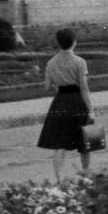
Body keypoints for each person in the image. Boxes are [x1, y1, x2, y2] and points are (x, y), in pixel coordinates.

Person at [36, 28, 94, 179]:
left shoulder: (51, 62)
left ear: (59, 43)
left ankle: (59, 177)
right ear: (74, 42)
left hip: (60, 101)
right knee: (84, 140)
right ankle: (86, 173)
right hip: (77, 101)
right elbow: (84, 88)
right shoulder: (79, 62)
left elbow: (47, 87)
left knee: (60, 142)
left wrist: (58, 85)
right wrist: (91, 110)